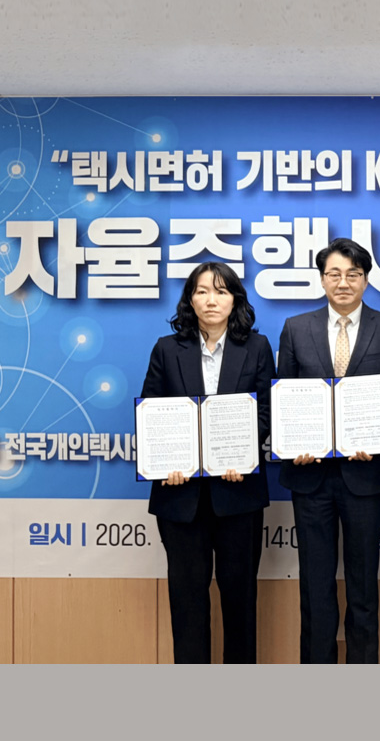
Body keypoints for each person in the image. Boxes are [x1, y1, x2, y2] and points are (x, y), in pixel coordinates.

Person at [276, 237, 380, 664]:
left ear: (366, 280)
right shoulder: (296, 328)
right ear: (322, 279)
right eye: (334, 274)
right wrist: (294, 443)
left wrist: (375, 435)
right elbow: (284, 398)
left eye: (353, 274)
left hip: (365, 475)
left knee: (363, 586)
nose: (343, 282)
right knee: (315, 586)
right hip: (310, 476)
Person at [140, 262, 274, 664]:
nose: (211, 300)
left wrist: (240, 454)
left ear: (235, 300)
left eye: (221, 291)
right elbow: (152, 413)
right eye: (202, 291)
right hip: (181, 497)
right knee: (187, 602)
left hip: (238, 493)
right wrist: (166, 461)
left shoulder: (257, 347)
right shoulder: (167, 349)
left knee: (240, 601)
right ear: (190, 300)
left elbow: (266, 411)